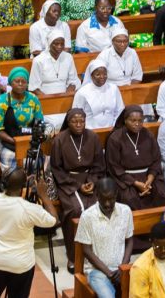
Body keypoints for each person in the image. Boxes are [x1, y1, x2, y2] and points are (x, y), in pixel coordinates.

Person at [0, 168, 58, 298]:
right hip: (20, 264)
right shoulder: (29, 209)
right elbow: (53, 220)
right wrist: (44, 196)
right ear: (24, 186)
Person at [50, 109, 106, 271]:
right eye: (75, 122)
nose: (79, 124)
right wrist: (77, 185)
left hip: (90, 179)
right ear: (68, 123)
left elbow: (99, 164)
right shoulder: (60, 140)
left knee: (98, 208)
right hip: (68, 181)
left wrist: (92, 181)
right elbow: (56, 168)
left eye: (82, 121)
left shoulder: (93, 137)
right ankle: (74, 255)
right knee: (74, 210)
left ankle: (96, 253)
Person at [74, 177, 134, 294]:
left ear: (116, 195)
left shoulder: (125, 211)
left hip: (121, 269)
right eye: (103, 199)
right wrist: (109, 273)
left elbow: (130, 241)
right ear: (97, 196)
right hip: (97, 271)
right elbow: (86, 250)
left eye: (111, 199)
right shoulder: (87, 216)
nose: (107, 204)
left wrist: (122, 268)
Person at [106, 105, 165, 210]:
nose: (137, 124)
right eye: (133, 120)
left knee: (161, 195)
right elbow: (114, 166)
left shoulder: (148, 135)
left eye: (140, 121)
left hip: (148, 176)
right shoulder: (115, 138)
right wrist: (135, 183)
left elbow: (156, 159)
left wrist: (150, 179)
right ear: (125, 120)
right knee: (129, 200)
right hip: (126, 179)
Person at [0, 67, 43, 171]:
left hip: (27, 140)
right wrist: (15, 142)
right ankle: (13, 180)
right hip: (5, 141)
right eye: (17, 81)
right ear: (10, 83)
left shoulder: (33, 99)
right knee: (14, 160)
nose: (20, 84)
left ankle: (29, 180)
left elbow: (39, 122)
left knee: (38, 159)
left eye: (23, 81)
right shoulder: (2, 101)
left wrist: (30, 139)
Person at [72, 60, 124, 129]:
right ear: (91, 76)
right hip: (89, 130)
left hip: (112, 128)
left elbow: (120, 110)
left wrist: (115, 127)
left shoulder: (113, 88)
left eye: (105, 74)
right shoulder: (82, 92)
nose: (102, 77)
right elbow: (76, 115)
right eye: (98, 74)